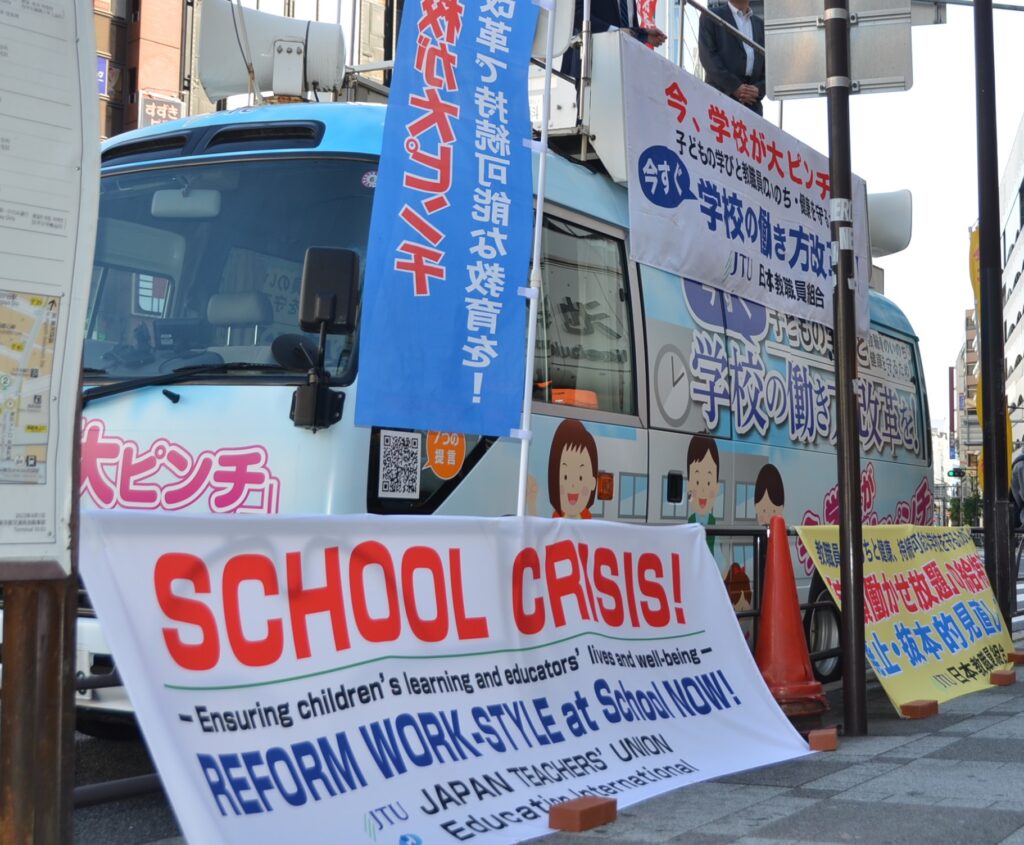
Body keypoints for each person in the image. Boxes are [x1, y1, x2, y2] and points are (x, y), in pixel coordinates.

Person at [561, 0, 667, 80]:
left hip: (625, 67)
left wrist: (645, 35)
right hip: (591, 62)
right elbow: (576, 13)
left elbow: (628, 29)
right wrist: (614, 31)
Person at [697, 0, 766, 116]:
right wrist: (734, 86)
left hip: (752, 103)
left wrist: (759, 89)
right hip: (720, 98)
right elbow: (708, 57)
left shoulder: (760, 25)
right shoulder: (710, 16)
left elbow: (768, 65)